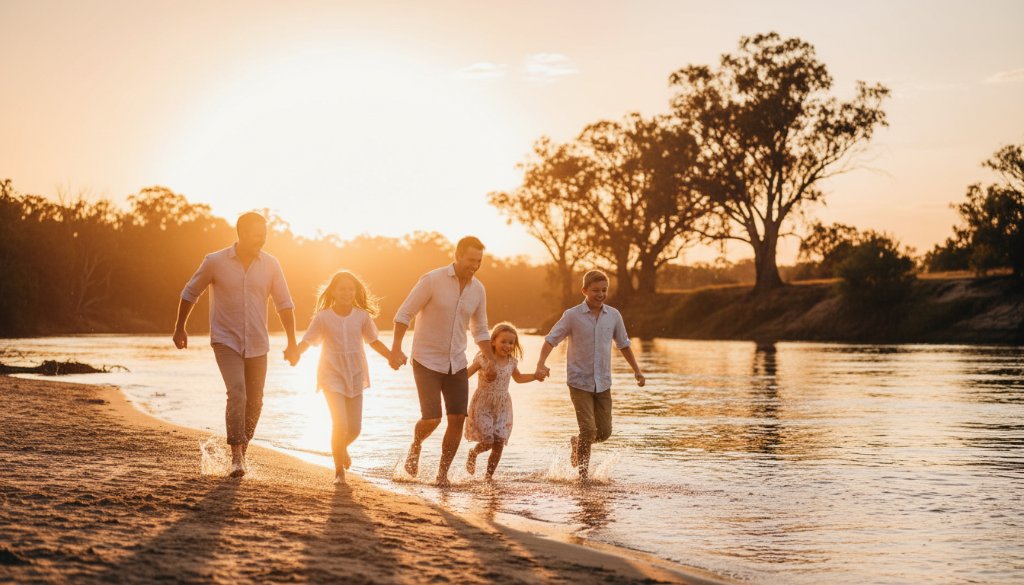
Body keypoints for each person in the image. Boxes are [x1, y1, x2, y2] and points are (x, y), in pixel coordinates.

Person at [173, 212, 299, 478]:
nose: (262, 240)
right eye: (257, 235)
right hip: (225, 340)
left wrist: (292, 342)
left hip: (257, 343)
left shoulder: (271, 265)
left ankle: (242, 446)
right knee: (238, 393)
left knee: (256, 401)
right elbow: (189, 293)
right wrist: (180, 327)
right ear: (241, 233)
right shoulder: (214, 261)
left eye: (264, 235)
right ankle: (237, 456)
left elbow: (284, 304)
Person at [390, 236, 497, 487]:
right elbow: (404, 314)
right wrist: (396, 349)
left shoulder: (478, 290)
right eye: (471, 259)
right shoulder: (432, 280)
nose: (475, 265)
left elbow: (480, 329)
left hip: (456, 362)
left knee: (458, 418)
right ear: (457, 256)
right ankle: (416, 445)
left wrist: (491, 360)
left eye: (479, 261)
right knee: (432, 418)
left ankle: (442, 475)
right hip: (426, 359)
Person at [535, 270, 645, 480]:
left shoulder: (613, 316)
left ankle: (577, 444)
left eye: (604, 290)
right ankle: (583, 478)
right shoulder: (572, 315)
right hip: (579, 382)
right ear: (584, 290)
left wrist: (637, 371)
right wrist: (541, 363)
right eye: (595, 290)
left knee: (604, 432)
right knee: (588, 429)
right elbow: (551, 339)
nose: (600, 294)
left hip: (603, 383)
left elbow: (624, 344)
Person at [296, 270, 392, 484]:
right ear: (334, 292)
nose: (347, 293)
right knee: (340, 423)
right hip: (331, 374)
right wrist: (296, 352)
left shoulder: (361, 316)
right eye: (342, 289)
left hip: (356, 374)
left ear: (355, 291)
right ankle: (339, 471)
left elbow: (374, 341)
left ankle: (341, 448)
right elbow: (309, 340)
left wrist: (391, 357)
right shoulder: (323, 317)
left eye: (350, 289)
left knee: (355, 428)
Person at [464, 322, 542, 480]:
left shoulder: (512, 362)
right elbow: (465, 375)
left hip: (503, 406)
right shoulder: (483, 359)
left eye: (511, 342)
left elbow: (519, 379)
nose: (507, 345)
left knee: (499, 443)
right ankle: (473, 453)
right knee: (488, 441)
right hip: (483, 404)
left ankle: (488, 477)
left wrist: (535, 376)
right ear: (493, 341)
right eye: (503, 341)